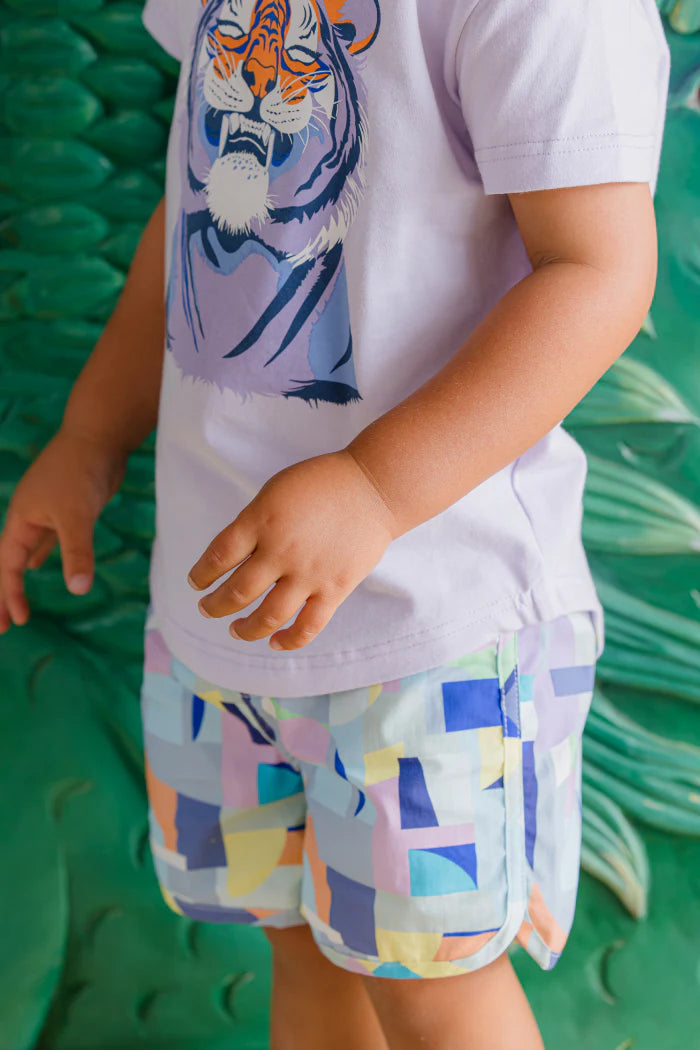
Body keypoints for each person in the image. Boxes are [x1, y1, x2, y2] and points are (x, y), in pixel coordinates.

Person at [0, 0, 670, 1046]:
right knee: (301, 952)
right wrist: (92, 436)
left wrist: (375, 487)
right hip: (221, 615)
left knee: (432, 989)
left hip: (430, 625)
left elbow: (599, 272)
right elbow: (189, 205)